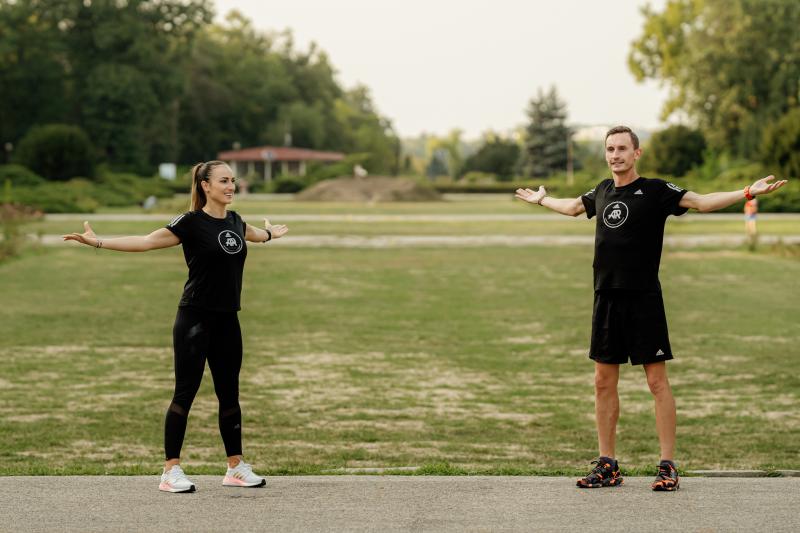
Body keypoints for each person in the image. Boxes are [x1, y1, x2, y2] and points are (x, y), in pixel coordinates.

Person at [515, 126, 787, 492]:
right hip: (606, 298)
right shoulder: (602, 190)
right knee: (602, 382)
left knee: (657, 382)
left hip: (643, 299)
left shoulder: (657, 191)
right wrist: (542, 200)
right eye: (610, 149)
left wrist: (747, 192)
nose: (615, 155)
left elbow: (702, 202)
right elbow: (573, 207)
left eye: (622, 148)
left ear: (636, 153)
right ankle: (607, 465)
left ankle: (667, 465)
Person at [63, 160, 288, 493]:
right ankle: (171, 471)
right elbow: (146, 241)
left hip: (228, 318)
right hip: (195, 319)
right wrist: (99, 242)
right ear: (205, 185)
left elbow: (254, 235)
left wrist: (270, 234)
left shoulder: (235, 221)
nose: (231, 186)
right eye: (223, 180)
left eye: (232, 180)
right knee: (185, 392)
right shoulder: (190, 222)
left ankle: (235, 467)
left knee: (230, 394)